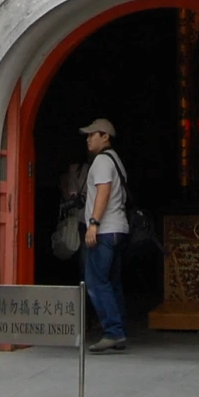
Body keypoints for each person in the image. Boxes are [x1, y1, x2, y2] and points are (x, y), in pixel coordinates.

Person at [79, 117, 130, 353]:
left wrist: (93, 223)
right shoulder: (116, 160)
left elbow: (103, 191)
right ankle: (119, 331)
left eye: (93, 134)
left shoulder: (101, 161)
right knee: (113, 283)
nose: (88, 138)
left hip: (105, 230)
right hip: (119, 229)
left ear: (105, 136)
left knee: (96, 282)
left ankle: (112, 331)